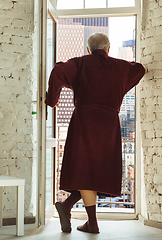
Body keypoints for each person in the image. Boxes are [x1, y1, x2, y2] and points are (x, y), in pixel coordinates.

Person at [45, 32, 145, 234]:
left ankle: (76, 211)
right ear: (108, 49)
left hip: (84, 121)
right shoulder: (120, 67)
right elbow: (140, 69)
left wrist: (51, 100)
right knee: (97, 171)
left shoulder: (81, 63)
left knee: (83, 169)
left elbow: (58, 71)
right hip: (109, 125)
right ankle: (86, 219)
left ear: (88, 49)